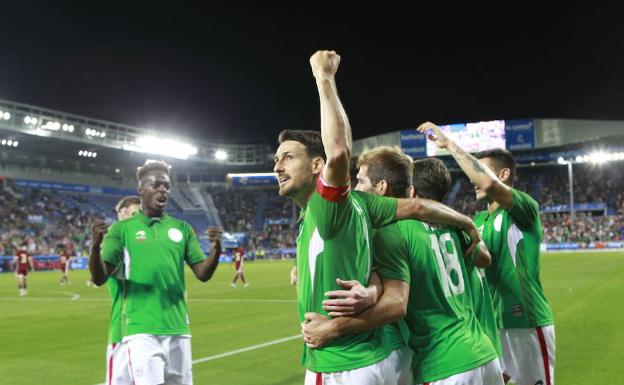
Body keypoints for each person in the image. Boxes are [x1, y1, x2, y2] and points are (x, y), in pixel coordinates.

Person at [275, 50, 480, 385]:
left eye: (287, 157)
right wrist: (466, 222)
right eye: (276, 159)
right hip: (387, 354)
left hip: (343, 362)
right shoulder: (366, 205)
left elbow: (339, 149)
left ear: (317, 166)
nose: (277, 166)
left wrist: (323, 76)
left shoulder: (329, 206)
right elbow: (416, 206)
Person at [303, 148, 503, 385]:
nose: (356, 189)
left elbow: (396, 303)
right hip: (484, 353)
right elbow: (484, 259)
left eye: (361, 181)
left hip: (443, 364)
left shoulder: (390, 232)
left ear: (381, 188)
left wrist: (335, 327)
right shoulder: (450, 226)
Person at [418, 122, 555, 385]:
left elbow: (485, 182)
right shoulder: (477, 220)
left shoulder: (524, 208)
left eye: (480, 170)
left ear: (502, 175)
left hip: (526, 321)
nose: (472, 179)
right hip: (490, 325)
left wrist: (449, 145)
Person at [90, 160, 223, 385]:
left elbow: (202, 273)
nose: (163, 190)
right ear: (141, 189)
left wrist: (216, 249)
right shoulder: (121, 230)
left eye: (167, 186)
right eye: (157, 184)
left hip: (178, 327)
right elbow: (100, 277)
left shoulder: (182, 228)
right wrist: (94, 248)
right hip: (140, 329)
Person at [90, 195, 140, 385]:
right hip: (123, 332)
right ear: (122, 215)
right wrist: (97, 245)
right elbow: (99, 277)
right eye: (134, 214)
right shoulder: (116, 245)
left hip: (151, 331)